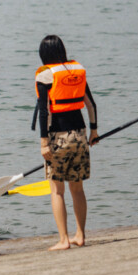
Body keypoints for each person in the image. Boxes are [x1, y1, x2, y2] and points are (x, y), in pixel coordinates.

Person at [33, 34, 98, 251]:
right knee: (77, 189)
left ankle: (63, 240)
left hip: (58, 137)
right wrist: (94, 131)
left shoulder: (45, 76)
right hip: (80, 134)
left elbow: (44, 113)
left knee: (57, 191)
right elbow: (90, 104)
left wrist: (44, 144)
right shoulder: (75, 71)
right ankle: (80, 235)